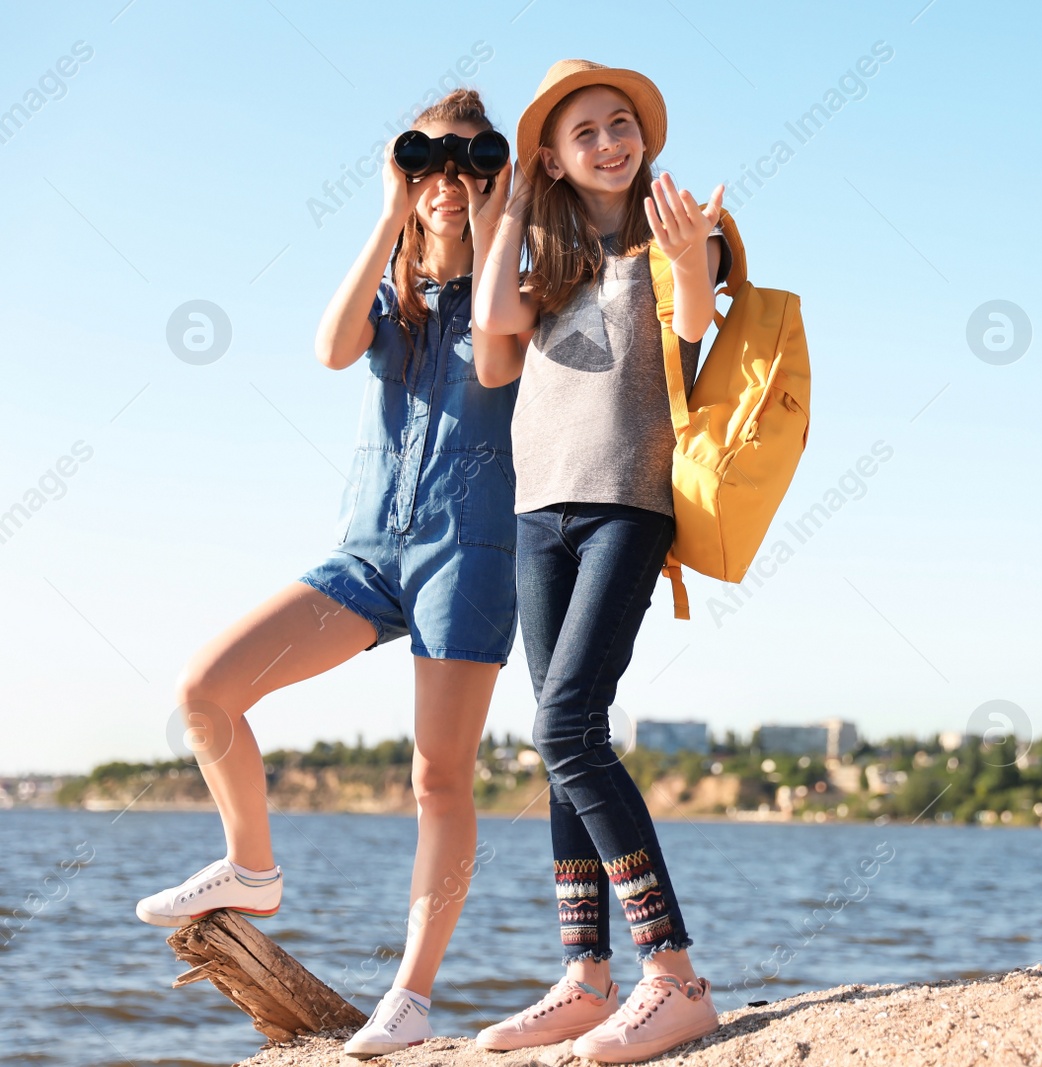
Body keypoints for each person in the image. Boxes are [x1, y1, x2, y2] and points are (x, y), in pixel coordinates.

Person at [134, 88, 526, 1059]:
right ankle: (253, 866)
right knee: (206, 689)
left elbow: (495, 361)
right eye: (428, 160)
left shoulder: (516, 290)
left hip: (465, 554)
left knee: (437, 777)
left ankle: (413, 992)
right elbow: (328, 347)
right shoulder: (392, 294)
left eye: (468, 161)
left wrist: (491, 209)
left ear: (494, 173)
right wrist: (393, 207)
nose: (447, 179)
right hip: (367, 551)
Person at [470, 59, 728, 1063]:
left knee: (565, 722)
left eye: (622, 124)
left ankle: (673, 973)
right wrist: (506, 200)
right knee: (556, 742)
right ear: (553, 155)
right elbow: (494, 323)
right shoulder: (546, 248)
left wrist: (693, 257)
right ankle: (585, 973)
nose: (612, 141)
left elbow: (698, 329)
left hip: (629, 500)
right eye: (586, 132)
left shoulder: (675, 227)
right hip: (540, 508)